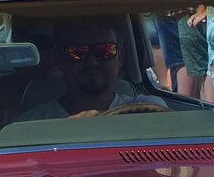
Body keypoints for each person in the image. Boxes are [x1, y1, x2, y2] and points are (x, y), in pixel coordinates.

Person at [17, 23, 167, 119]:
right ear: (59, 59)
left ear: (120, 57)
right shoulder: (31, 124)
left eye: (105, 51)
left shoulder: (149, 109)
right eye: (77, 52)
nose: (92, 61)